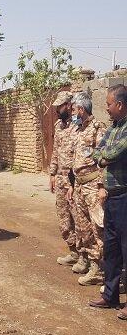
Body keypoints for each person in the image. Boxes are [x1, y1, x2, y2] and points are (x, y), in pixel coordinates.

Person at [88, 85, 127, 319]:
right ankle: (110, 296)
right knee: (111, 250)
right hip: (112, 198)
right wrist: (102, 156)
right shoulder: (113, 128)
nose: (107, 109)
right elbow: (97, 151)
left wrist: (102, 157)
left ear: (120, 105)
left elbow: (113, 154)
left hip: (125, 196)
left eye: (109, 105)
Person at [67, 92, 107, 286]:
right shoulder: (79, 129)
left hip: (92, 187)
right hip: (80, 186)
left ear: (81, 110)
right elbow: (76, 161)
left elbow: (103, 161)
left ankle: (103, 269)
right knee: (83, 229)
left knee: (98, 229)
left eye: (74, 109)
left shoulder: (97, 128)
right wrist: (72, 186)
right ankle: (91, 264)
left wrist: (101, 186)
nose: (72, 113)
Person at [49, 91, 78, 266]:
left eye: (60, 106)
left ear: (68, 105)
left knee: (79, 219)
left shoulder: (79, 126)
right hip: (60, 179)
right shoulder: (58, 126)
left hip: (75, 180)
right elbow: (55, 151)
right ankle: (73, 252)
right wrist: (52, 173)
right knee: (64, 218)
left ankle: (86, 257)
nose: (57, 110)